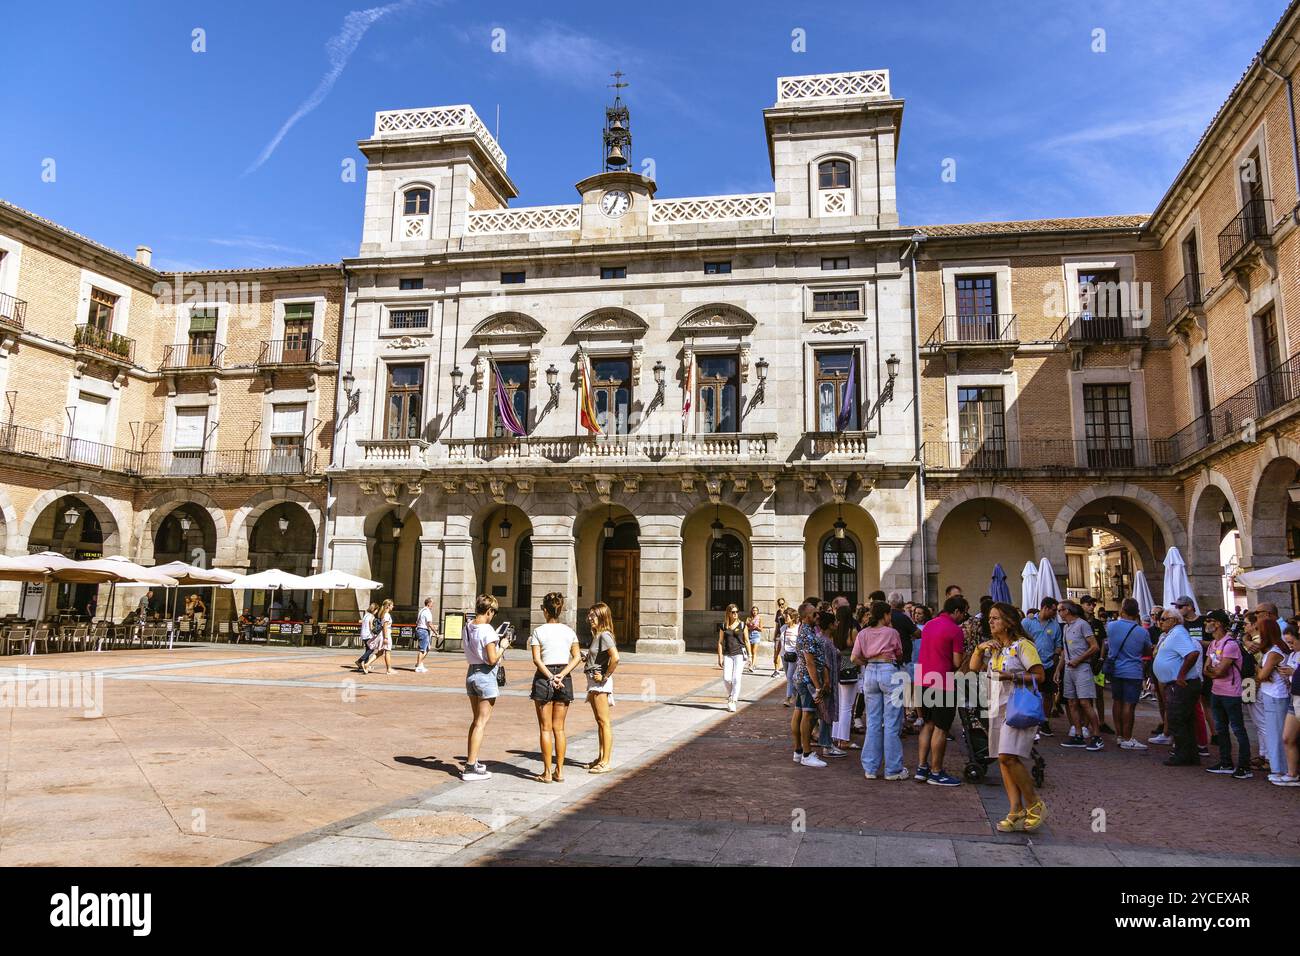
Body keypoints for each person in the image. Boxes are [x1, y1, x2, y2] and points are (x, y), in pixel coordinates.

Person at [966, 602, 1047, 832]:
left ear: (1009, 622)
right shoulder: (994, 648)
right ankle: (1015, 810)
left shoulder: (1023, 646)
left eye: (996, 618)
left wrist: (1011, 676)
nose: (990, 622)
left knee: (1008, 756)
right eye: (990, 618)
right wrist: (979, 649)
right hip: (997, 705)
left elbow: (1039, 676)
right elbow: (973, 668)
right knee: (1002, 759)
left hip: (1017, 706)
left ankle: (1034, 804)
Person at [913, 595, 967, 786]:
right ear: (957, 611)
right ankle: (936, 771)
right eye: (963, 613)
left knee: (927, 724)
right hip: (942, 682)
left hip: (922, 679)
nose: (964, 617)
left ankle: (921, 767)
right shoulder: (955, 630)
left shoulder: (929, 625)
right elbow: (957, 662)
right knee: (941, 728)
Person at [528, 591, 581, 783]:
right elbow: (576, 657)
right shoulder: (569, 631)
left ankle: (547, 772)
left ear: (544, 610)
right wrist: (562, 675)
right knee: (559, 729)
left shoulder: (538, 631)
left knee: (545, 728)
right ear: (561, 609)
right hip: (564, 677)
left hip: (544, 677)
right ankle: (560, 771)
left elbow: (536, 659)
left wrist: (551, 676)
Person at [852, 600, 906, 780]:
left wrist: (867, 663)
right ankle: (893, 769)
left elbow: (854, 657)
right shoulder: (892, 632)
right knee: (891, 723)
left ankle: (870, 768)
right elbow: (899, 654)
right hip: (888, 671)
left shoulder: (863, 633)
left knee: (873, 722)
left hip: (870, 673)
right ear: (885, 615)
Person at [463, 594, 511, 781]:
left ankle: (472, 761)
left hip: (471, 673)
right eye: (493, 612)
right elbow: (492, 659)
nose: (493, 616)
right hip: (485, 675)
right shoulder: (488, 630)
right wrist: (503, 646)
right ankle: (469, 768)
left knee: (476, 721)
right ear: (489, 610)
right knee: (481, 723)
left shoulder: (468, 626)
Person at [1202, 609, 1252, 779]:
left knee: (1238, 729)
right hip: (1216, 691)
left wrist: (1213, 671)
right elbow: (1207, 670)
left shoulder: (1229, 644)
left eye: (1209, 620)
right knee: (1221, 729)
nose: (1206, 623)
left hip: (1231, 693)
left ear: (1218, 624)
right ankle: (1225, 762)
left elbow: (1220, 672)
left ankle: (1245, 766)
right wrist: (1213, 671)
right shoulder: (1213, 644)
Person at [1153, 608, 1203, 767]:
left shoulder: (1178, 633)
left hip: (1181, 684)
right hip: (1175, 684)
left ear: (1173, 621)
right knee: (1184, 720)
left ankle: (1182, 754)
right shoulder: (1171, 634)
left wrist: (1181, 674)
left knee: (1178, 719)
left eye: (1163, 618)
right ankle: (1189, 753)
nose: (1160, 621)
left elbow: (1192, 654)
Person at [1106, 598, 1152, 750]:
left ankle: (1119, 735)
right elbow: (1147, 650)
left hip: (1115, 669)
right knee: (1129, 705)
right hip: (1133, 671)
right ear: (1137, 613)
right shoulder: (1141, 632)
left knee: (1117, 701)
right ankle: (1127, 737)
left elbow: (1107, 644)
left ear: (1122, 611)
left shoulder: (1111, 626)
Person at [1058, 601, 1103, 751]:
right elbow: (1064, 651)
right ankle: (1078, 734)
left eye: (1061, 610)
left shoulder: (1082, 624)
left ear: (1068, 610)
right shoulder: (1065, 627)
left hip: (1082, 667)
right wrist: (1059, 668)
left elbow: (1094, 646)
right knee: (1071, 702)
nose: (1059, 613)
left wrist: (1079, 659)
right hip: (1070, 668)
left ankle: (1097, 735)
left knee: (1084, 702)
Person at [790, 600, 828, 768]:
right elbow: (810, 662)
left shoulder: (806, 630)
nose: (817, 615)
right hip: (807, 680)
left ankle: (798, 751)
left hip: (801, 678)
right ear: (805, 617)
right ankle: (806, 753)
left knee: (799, 712)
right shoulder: (806, 633)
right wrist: (818, 686)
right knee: (808, 714)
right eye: (814, 614)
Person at [584, 602, 620, 773]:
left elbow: (616, 658)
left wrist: (605, 676)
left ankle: (606, 761)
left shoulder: (604, 635)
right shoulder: (598, 635)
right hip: (593, 681)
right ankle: (600, 757)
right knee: (600, 722)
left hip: (600, 683)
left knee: (604, 722)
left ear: (602, 616)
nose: (590, 618)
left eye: (593, 615)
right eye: (589, 615)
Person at [1257, 615, 1291, 781]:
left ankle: (1280, 768)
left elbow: (1262, 674)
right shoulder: (1273, 650)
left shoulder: (1274, 652)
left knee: (1276, 734)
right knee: (1273, 732)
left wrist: (1260, 671)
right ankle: (1278, 767)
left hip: (1276, 695)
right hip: (1271, 694)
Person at [1021, 597, 1062, 736]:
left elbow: (1058, 644)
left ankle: (1044, 721)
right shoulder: (1027, 622)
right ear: (1045, 607)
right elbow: (1020, 640)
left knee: (1048, 694)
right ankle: (1030, 720)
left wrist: (1055, 657)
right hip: (1031, 664)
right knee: (1031, 692)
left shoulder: (1055, 625)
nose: (1055, 613)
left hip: (1048, 663)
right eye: (1054, 610)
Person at [1080, 595, 1115, 735]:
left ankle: (1101, 722)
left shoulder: (1097, 623)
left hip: (1097, 663)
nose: (1091, 607)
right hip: (1084, 663)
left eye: (1093, 604)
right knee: (1086, 696)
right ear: (1082, 604)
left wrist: (1101, 659)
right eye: (1088, 604)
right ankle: (1086, 723)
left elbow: (1103, 642)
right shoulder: (1079, 622)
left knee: (1099, 693)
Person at [1270, 627, 1300, 786]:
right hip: (1294, 697)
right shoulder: (1293, 654)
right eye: (1287, 642)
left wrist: (1293, 673)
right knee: (1287, 737)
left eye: (1292, 642)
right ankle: (1292, 773)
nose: (1290, 645)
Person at [717, 603, 749, 713]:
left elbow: (747, 641)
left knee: (736, 678)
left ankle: (733, 700)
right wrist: (720, 657)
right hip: (728, 654)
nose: (735, 614)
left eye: (736, 612)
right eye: (733, 612)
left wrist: (750, 656)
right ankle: (731, 695)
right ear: (728, 613)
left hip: (740, 653)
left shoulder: (742, 625)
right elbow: (720, 642)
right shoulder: (723, 626)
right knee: (727, 678)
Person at [778, 606, 799, 706]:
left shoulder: (798, 629)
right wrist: (776, 654)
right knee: (789, 678)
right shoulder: (783, 628)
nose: (785, 618)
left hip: (794, 656)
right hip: (784, 655)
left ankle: (788, 698)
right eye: (785, 616)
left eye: (787, 617)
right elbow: (780, 642)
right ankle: (796, 695)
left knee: (790, 676)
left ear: (793, 617)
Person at [368, 599, 394, 674]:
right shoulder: (386, 615)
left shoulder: (383, 614)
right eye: (392, 605)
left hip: (384, 634)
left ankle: (367, 664)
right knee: (388, 651)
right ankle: (389, 669)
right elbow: (385, 626)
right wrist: (386, 638)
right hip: (386, 634)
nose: (393, 606)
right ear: (388, 606)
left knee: (380, 652)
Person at [354, 602, 379, 671]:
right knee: (371, 649)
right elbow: (371, 627)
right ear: (374, 609)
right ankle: (359, 661)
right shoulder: (372, 616)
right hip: (368, 635)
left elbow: (361, 622)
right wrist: (376, 632)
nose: (377, 612)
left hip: (363, 634)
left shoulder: (366, 615)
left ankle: (366, 665)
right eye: (377, 610)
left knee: (367, 650)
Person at [413, 597, 435, 673]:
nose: (433, 605)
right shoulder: (427, 612)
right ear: (428, 603)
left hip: (420, 630)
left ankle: (419, 663)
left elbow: (417, 621)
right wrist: (435, 632)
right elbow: (429, 623)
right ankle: (418, 666)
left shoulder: (421, 610)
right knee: (422, 650)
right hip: (423, 630)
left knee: (427, 648)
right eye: (432, 603)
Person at [745, 605, 763, 675]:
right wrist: (750, 626)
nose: (754, 612)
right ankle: (752, 664)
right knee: (749, 652)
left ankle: (752, 665)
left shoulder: (759, 618)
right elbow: (746, 628)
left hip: (756, 635)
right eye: (753, 610)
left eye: (756, 610)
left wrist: (756, 627)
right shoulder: (748, 618)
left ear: (758, 611)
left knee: (754, 651)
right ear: (751, 611)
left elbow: (761, 629)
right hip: (749, 635)